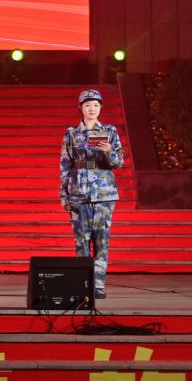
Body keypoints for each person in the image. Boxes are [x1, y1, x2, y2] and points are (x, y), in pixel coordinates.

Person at [59, 88, 124, 300]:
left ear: (101, 107)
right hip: (78, 193)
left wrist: (109, 151)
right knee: (81, 241)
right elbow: (65, 164)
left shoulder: (111, 132)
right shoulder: (71, 133)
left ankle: (98, 285)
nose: (92, 109)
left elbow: (119, 162)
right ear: (81, 108)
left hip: (104, 194)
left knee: (102, 241)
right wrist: (63, 194)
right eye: (87, 105)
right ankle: (83, 284)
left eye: (96, 105)